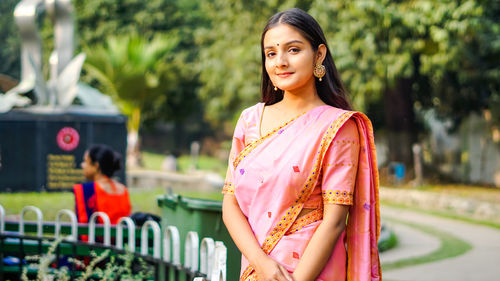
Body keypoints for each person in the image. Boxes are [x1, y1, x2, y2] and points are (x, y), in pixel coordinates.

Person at [222, 8, 381, 281]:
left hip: (311, 272)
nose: (280, 61)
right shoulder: (250, 120)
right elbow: (230, 204)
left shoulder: (338, 127)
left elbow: (333, 222)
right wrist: (262, 264)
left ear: (319, 54)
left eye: (293, 50)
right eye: (271, 53)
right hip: (256, 270)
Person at [74, 144, 132, 226]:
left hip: (97, 238)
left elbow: (82, 229)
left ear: (96, 166)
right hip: (121, 237)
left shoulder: (85, 190)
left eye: (85, 161)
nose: (82, 165)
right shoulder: (123, 189)